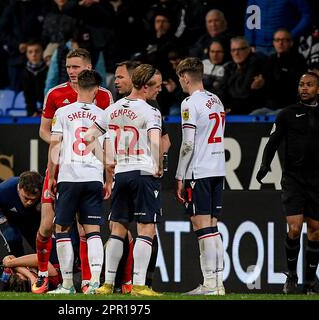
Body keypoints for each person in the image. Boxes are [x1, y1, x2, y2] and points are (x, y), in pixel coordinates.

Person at [33, 48, 113, 294]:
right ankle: (91, 284)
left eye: (76, 67)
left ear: (87, 69)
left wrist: (52, 175)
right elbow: (107, 149)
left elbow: (55, 147)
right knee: (92, 230)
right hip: (93, 176)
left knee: (64, 229)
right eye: (68, 67)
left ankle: (68, 284)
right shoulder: (102, 113)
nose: (71, 72)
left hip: (67, 173)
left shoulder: (64, 112)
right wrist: (108, 176)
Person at [85, 64, 164, 296]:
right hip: (142, 172)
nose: (158, 91)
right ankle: (139, 285)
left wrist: (106, 161)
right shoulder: (150, 111)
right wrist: (158, 165)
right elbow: (155, 140)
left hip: (121, 173)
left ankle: (108, 283)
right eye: (156, 86)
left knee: (117, 229)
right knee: (145, 228)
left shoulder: (113, 108)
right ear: (146, 86)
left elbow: (89, 137)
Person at [256, 72, 319, 295]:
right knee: (295, 227)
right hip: (293, 179)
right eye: (301, 85)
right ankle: (291, 276)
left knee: (315, 231)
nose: (304, 88)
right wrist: (264, 165)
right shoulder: (287, 114)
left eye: (309, 85)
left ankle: (309, 285)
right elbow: (273, 142)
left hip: (318, 180)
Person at [112, 60, 171, 293]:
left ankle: (140, 281)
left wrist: (156, 160)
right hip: (135, 172)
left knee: (135, 230)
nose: (117, 81)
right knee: (139, 229)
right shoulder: (132, 107)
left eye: (120, 77)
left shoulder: (148, 107)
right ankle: (125, 283)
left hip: (128, 171)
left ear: (135, 80)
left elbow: (165, 141)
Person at [174, 57, 226, 296]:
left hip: (200, 171)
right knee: (212, 225)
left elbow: (188, 144)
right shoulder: (216, 100)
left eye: (180, 78)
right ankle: (217, 283)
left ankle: (210, 284)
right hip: (217, 170)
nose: (181, 83)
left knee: (201, 225)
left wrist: (179, 176)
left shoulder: (189, 103)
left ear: (185, 77)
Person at [0, 171, 43, 264]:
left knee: (45, 249)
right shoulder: (2, 191)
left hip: (33, 219)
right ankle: (19, 275)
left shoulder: (47, 189)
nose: (29, 203)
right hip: (7, 216)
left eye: (33, 199)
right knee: (12, 239)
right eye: (26, 198)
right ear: (19, 188)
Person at [21, 40, 48, 116]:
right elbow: (27, 94)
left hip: (48, 109)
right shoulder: (25, 72)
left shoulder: (48, 70)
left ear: (42, 52)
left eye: (37, 51)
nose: (34, 55)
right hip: (33, 110)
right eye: (30, 52)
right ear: (26, 54)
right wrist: (32, 111)